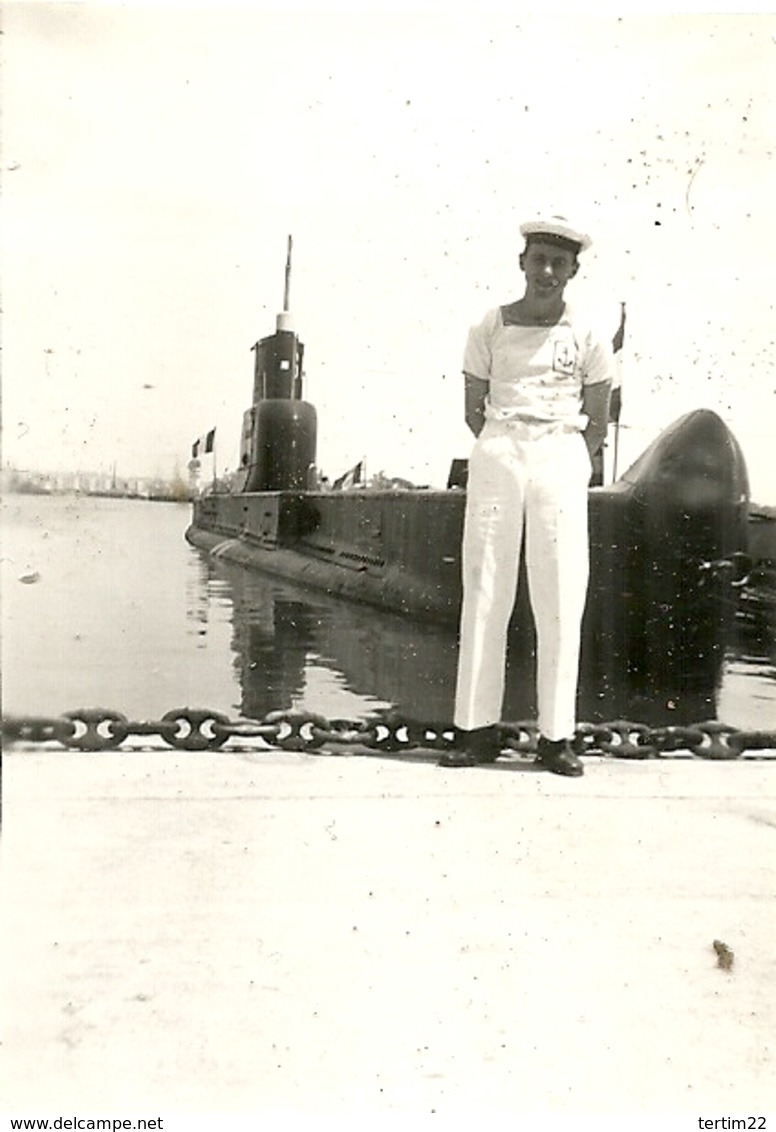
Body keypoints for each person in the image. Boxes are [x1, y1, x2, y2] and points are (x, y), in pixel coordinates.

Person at [439, 214, 614, 775]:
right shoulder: (489, 326)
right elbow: (473, 405)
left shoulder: (587, 335)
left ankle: (556, 736)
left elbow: (598, 417)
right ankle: (474, 730)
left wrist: (560, 458)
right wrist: (505, 446)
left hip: (560, 454)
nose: (546, 272)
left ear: (573, 271)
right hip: (499, 451)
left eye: (558, 264)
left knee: (561, 592)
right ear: (521, 263)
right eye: (538, 260)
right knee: (486, 586)